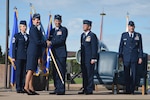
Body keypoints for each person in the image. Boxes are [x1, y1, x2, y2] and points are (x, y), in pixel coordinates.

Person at [24, 13, 48, 95]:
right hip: (32, 51)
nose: (37, 21)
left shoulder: (38, 29)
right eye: (36, 19)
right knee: (30, 69)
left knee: (33, 70)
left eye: (38, 19)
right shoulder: (33, 29)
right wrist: (45, 43)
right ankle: (26, 87)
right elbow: (37, 41)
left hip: (35, 52)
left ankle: (31, 88)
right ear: (33, 20)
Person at [119, 21, 143, 94]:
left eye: (132, 26)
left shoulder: (138, 35)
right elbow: (121, 46)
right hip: (126, 57)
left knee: (134, 74)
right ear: (128, 27)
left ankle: (132, 90)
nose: (131, 28)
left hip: (134, 57)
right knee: (126, 74)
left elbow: (140, 47)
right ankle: (127, 89)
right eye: (130, 26)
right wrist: (120, 56)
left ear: (134, 27)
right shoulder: (124, 35)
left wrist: (140, 57)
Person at [48, 14, 68, 95]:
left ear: (61, 21)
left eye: (58, 21)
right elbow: (48, 39)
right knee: (55, 72)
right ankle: (56, 88)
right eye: (56, 21)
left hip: (61, 54)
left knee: (60, 71)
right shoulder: (52, 31)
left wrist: (52, 42)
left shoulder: (64, 30)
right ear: (54, 21)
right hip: (54, 54)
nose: (57, 22)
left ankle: (61, 89)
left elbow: (62, 40)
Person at [78, 20, 98, 95]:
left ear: (89, 27)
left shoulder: (92, 35)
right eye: (83, 25)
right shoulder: (82, 35)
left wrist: (93, 58)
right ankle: (85, 88)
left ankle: (89, 89)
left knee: (89, 74)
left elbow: (94, 47)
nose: (83, 26)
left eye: (85, 25)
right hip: (84, 58)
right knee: (85, 74)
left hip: (90, 58)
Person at [12, 20, 29, 93]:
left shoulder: (28, 36)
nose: (24, 28)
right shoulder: (17, 36)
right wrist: (13, 57)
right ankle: (18, 88)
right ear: (20, 27)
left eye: (25, 26)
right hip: (19, 56)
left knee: (23, 73)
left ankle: (23, 87)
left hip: (26, 57)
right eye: (23, 26)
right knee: (19, 72)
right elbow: (14, 46)